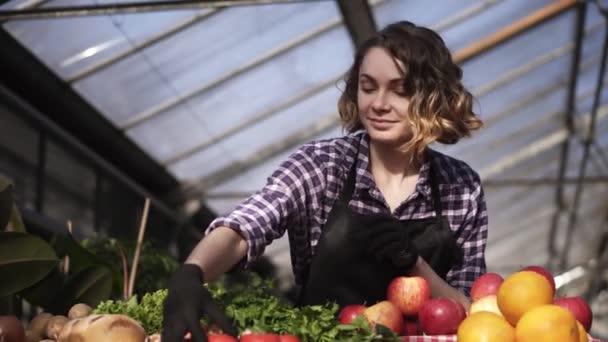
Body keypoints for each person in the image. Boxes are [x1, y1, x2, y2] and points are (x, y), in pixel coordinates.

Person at [162, 20, 487, 341]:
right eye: (368, 86)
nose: (378, 104)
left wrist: (413, 264)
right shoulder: (323, 165)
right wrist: (193, 271)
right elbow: (246, 226)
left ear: (433, 97)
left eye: (399, 90)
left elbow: (472, 312)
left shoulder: (460, 188)